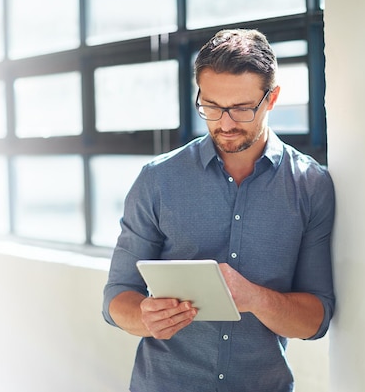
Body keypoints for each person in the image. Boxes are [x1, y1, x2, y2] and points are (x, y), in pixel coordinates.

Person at [102, 28, 335, 392]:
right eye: (211, 106)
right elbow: (117, 297)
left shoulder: (311, 185)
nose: (224, 123)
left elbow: (314, 321)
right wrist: (145, 317)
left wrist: (254, 298)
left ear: (271, 98)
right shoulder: (157, 180)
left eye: (242, 108)